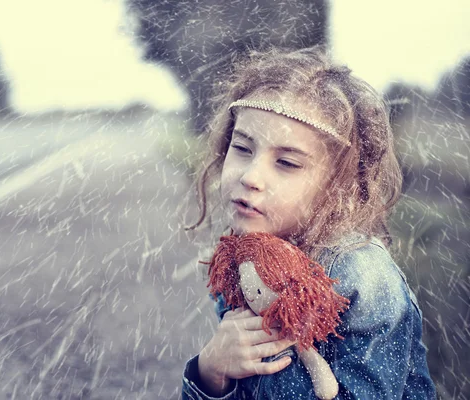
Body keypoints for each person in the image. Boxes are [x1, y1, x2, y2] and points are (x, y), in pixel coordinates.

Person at [180, 45, 437, 399]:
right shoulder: (243, 261)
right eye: (242, 148)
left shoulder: (362, 276)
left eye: (286, 163)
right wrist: (210, 371)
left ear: (336, 185)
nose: (251, 176)